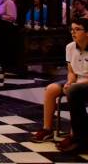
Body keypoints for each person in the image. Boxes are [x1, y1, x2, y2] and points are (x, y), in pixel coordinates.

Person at [31, 17, 88, 153]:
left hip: (86, 82)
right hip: (77, 79)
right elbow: (71, 71)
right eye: (72, 29)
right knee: (51, 89)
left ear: (87, 33)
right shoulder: (70, 47)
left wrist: (75, 85)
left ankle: (75, 136)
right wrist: (70, 81)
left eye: (77, 29)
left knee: (73, 91)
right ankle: (47, 129)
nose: (73, 33)